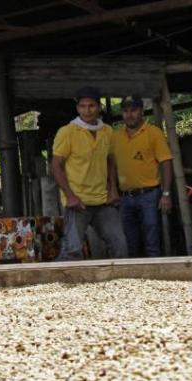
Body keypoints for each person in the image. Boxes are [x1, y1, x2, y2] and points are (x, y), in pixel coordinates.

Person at [52, 86, 127, 260]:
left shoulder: (107, 131)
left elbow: (110, 160)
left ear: (99, 107)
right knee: (72, 250)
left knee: (120, 245)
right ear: (78, 108)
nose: (87, 110)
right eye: (83, 106)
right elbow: (56, 166)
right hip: (78, 201)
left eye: (91, 106)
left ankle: (118, 283)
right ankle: (62, 284)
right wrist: (70, 196)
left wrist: (113, 189)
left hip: (102, 200)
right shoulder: (67, 132)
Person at [110, 95, 173, 257]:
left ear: (141, 111)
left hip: (149, 195)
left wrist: (166, 193)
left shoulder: (153, 133)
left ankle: (156, 277)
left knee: (152, 241)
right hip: (125, 197)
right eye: (125, 111)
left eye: (133, 110)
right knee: (130, 243)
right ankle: (136, 280)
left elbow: (166, 163)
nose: (129, 115)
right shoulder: (116, 137)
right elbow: (111, 164)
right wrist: (113, 190)